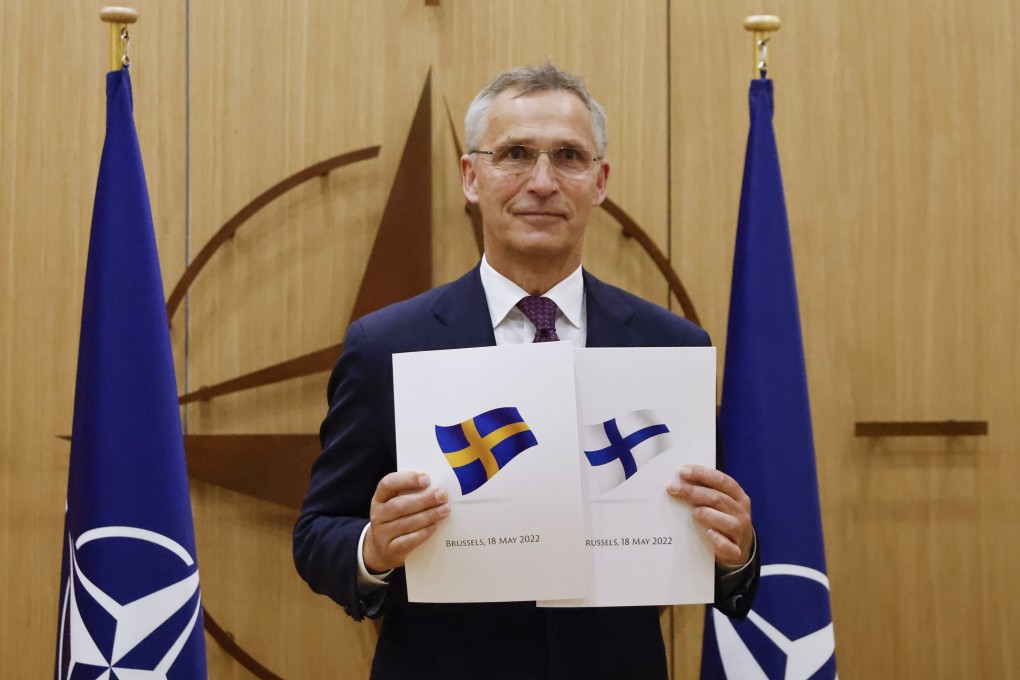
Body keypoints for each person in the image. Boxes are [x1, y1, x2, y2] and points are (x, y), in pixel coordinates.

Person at [294, 64, 759, 680]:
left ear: (599, 182)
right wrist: (372, 550)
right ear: (470, 176)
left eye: (568, 156)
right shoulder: (385, 346)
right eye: (515, 154)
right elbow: (317, 534)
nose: (541, 182)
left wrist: (738, 550)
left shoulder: (669, 347)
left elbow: (729, 555)